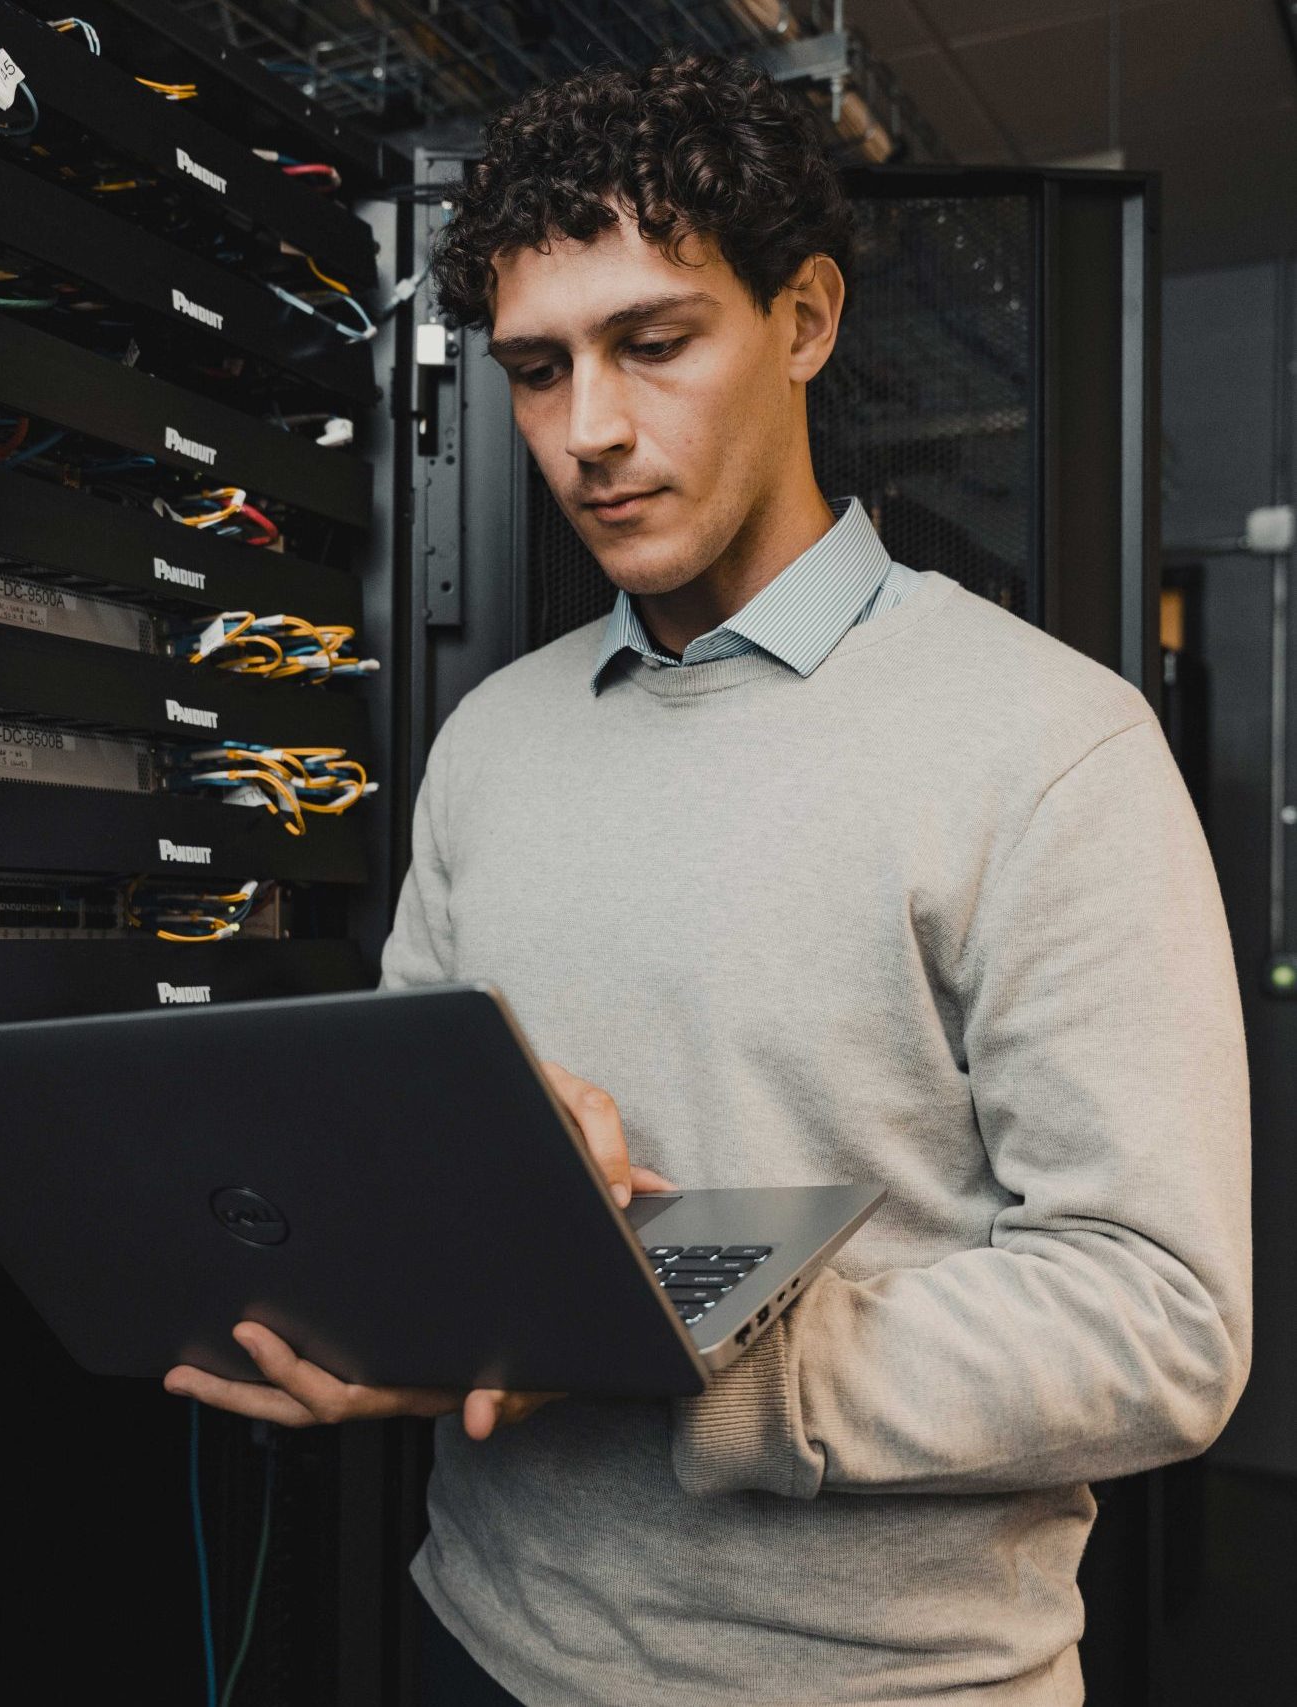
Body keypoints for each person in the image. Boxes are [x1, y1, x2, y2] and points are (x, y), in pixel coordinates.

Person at [164, 52, 1252, 1706]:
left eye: (654, 343)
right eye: (538, 371)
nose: (591, 429)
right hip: (485, 1640)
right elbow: (395, 1163)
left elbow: (1161, 1319)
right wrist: (396, 1275)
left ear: (804, 321)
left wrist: (684, 1345)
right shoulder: (493, 742)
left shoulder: (1052, 747)